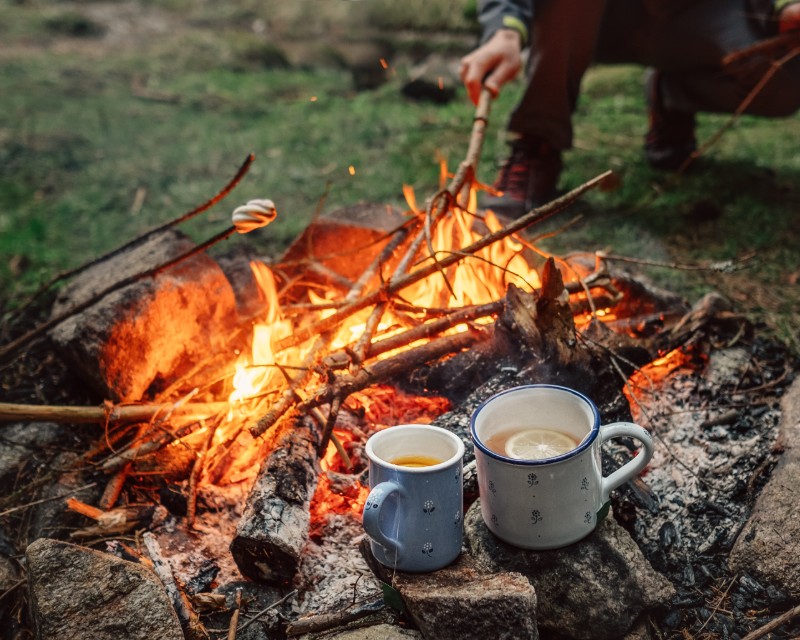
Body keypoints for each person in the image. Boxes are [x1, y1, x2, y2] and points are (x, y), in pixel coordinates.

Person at [459, 0, 800, 218]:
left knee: (786, 77)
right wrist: (506, 29)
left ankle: (672, 95)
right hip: (601, 15)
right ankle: (538, 143)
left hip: (704, 13)